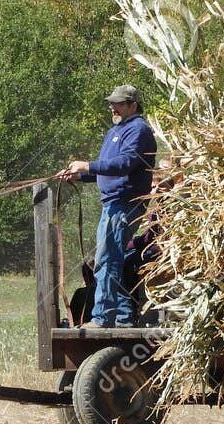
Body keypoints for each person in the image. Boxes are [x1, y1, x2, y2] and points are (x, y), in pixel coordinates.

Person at [56, 85, 156, 327]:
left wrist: (86, 166)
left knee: (106, 260)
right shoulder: (116, 130)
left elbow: (125, 164)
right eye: (112, 103)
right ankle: (123, 318)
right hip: (112, 204)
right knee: (113, 259)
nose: (113, 107)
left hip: (124, 204)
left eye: (119, 103)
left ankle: (102, 317)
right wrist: (80, 175)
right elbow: (107, 169)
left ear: (133, 104)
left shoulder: (138, 130)